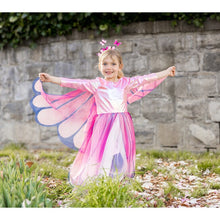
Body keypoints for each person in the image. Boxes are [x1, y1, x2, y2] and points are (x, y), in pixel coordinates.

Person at [30, 39, 175, 186]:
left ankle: (117, 179)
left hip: (122, 123)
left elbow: (146, 79)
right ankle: (99, 179)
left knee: (119, 150)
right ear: (100, 66)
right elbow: (73, 82)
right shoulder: (97, 84)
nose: (109, 67)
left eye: (113, 64)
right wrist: (51, 79)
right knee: (103, 150)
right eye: (105, 64)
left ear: (120, 66)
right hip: (103, 125)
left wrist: (166, 72)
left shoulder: (126, 83)